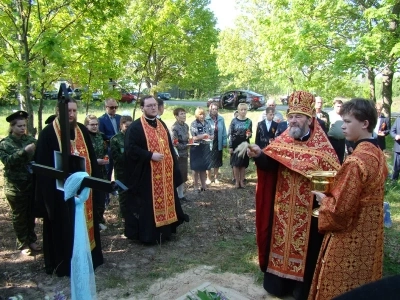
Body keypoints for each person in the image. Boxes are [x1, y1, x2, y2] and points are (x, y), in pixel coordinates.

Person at [247, 91, 340, 300]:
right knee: (279, 244)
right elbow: (270, 164)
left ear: (309, 119)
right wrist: (259, 154)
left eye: (298, 116)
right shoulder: (283, 140)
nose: (293, 121)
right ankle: (279, 286)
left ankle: (301, 290)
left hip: (309, 212)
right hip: (282, 208)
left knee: (307, 251)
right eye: (290, 116)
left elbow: (333, 176)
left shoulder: (322, 147)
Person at [309, 98, 388, 299]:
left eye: (348, 121)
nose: (342, 126)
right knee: (364, 285)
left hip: (349, 235)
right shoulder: (377, 153)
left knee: (338, 286)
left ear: (365, 124)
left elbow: (340, 210)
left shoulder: (355, 161)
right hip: (370, 236)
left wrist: (323, 200)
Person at [35, 99, 103, 276]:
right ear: (57, 111)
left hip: (84, 192)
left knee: (87, 223)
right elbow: (43, 169)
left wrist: (95, 183)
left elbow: (92, 159)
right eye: (68, 111)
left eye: (74, 111)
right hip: (60, 194)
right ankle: (66, 264)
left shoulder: (81, 130)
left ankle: (90, 259)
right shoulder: (48, 133)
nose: (71, 114)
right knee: (65, 227)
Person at [123, 95, 189, 244]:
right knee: (148, 206)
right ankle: (150, 236)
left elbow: (169, 146)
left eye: (154, 105)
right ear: (142, 108)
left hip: (164, 174)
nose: (153, 108)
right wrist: (149, 155)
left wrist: (174, 167)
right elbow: (130, 149)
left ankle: (166, 232)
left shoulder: (161, 124)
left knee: (167, 200)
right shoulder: (135, 127)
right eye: (149, 106)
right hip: (147, 175)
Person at [0, 111, 40, 255]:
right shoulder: (5, 143)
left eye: (24, 125)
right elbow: (8, 161)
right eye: (19, 126)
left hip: (30, 184)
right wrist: (24, 151)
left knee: (31, 214)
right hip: (15, 187)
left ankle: (32, 240)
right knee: (20, 215)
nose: (23, 128)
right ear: (12, 127)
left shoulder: (30, 140)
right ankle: (23, 244)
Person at [84, 114, 109, 230]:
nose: (94, 127)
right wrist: (94, 161)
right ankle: (92, 221)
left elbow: (105, 150)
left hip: (102, 171)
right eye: (92, 124)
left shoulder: (101, 136)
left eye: (96, 124)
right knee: (91, 196)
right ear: (86, 125)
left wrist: (106, 157)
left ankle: (99, 219)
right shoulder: (84, 137)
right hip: (89, 171)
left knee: (101, 196)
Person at [110, 114, 133, 218]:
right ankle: (124, 216)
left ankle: (133, 213)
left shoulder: (134, 138)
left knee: (133, 192)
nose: (128, 129)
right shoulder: (115, 139)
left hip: (133, 171)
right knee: (123, 194)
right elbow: (116, 157)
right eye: (126, 126)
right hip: (121, 171)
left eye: (130, 126)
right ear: (121, 125)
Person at [189, 107, 213, 192]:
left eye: (203, 114)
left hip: (205, 147)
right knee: (195, 168)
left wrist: (210, 136)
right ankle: (195, 186)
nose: (202, 116)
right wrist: (203, 136)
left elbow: (212, 135)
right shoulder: (194, 124)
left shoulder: (207, 123)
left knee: (203, 168)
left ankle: (204, 185)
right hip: (196, 147)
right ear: (197, 115)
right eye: (200, 114)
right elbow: (194, 137)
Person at [229, 103, 252, 189]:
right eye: (241, 110)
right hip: (235, 144)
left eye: (245, 109)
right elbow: (231, 134)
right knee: (235, 164)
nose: (243, 111)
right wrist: (231, 146)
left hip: (245, 144)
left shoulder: (248, 121)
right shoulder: (234, 121)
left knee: (243, 164)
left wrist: (249, 134)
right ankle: (237, 181)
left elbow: (250, 133)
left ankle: (242, 181)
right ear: (238, 111)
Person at [98, 98, 121, 181]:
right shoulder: (101, 120)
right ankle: (108, 190)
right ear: (106, 107)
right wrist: (115, 138)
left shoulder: (120, 118)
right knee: (108, 171)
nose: (114, 109)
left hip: (120, 149)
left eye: (116, 107)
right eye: (112, 107)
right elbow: (101, 135)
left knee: (120, 170)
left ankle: (119, 188)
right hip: (108, 149)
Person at [205, 102, 227, 184]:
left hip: (218, 142)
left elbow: (224, 131)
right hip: (209, 143)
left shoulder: (221, 119)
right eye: (213, 109)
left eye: (216, 109)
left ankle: (216, 177)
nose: (214, 110)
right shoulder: (206, 119)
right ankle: (208, 178)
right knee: (209, 161)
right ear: (210, 109)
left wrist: (225, 142)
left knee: (217, 161)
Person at [171, 107, 190, 202]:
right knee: (178, 175)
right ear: (176, 116)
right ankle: (176, 196)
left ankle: (181, 195)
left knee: (183, 175)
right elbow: (175, 143)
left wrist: (191, 142)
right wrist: (186, 145)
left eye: (184, 113)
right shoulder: (174, 128)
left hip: (185, 154)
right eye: (181, 114)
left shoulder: (186, 126)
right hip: (178, 155)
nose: (184, 115)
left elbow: (187, 137)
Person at [328, 98, 346, 164]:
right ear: (334, 106)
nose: (339, 108)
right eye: (338, 106)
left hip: (342, 141)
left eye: (341, 106)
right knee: (332, 159)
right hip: (332, 140)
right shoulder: (329, 115)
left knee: (340, 159)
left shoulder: (344, 116)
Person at [390, 116, 400, 180]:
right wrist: (395, 136)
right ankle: (394, 181)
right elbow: (392, 131)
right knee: (396, 167)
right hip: (398, 148)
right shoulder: (398, 120)